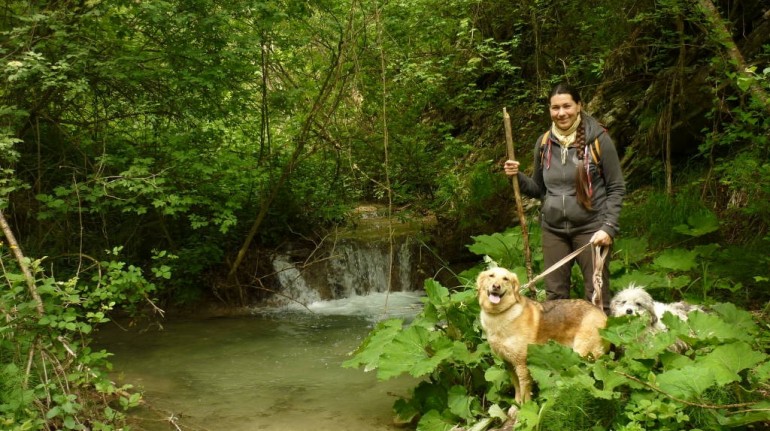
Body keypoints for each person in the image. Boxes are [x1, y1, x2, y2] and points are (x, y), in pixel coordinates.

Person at [504, 83, 625, 311]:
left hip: (591, 229)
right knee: (555, 299)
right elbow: (539, 190)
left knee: (596, 297)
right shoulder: (543, 143)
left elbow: (616, 187)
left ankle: (601, 346)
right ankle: (558, 347)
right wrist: (517, 176)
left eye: (567, 106)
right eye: (555, 108)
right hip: (554, 230)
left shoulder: (598, 140)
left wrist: (608, 227)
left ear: (579, 106)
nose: (561, 113)